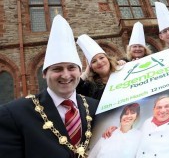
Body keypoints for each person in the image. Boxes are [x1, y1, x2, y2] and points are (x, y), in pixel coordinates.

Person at [0, 15, 98, 158]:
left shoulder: (95, 107)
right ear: (45, 74)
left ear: (80, 71)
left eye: (71, 68)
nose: (65, 75)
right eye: (57, 69)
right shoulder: (14, 114)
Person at [76, 34, 119, 100]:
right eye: (94, 61)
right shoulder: (90, 87)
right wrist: (85, 74)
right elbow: (72, 91)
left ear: (108, 59)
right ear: (91, 68)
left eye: (101, 57)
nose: (99, 62)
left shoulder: (122, 73)